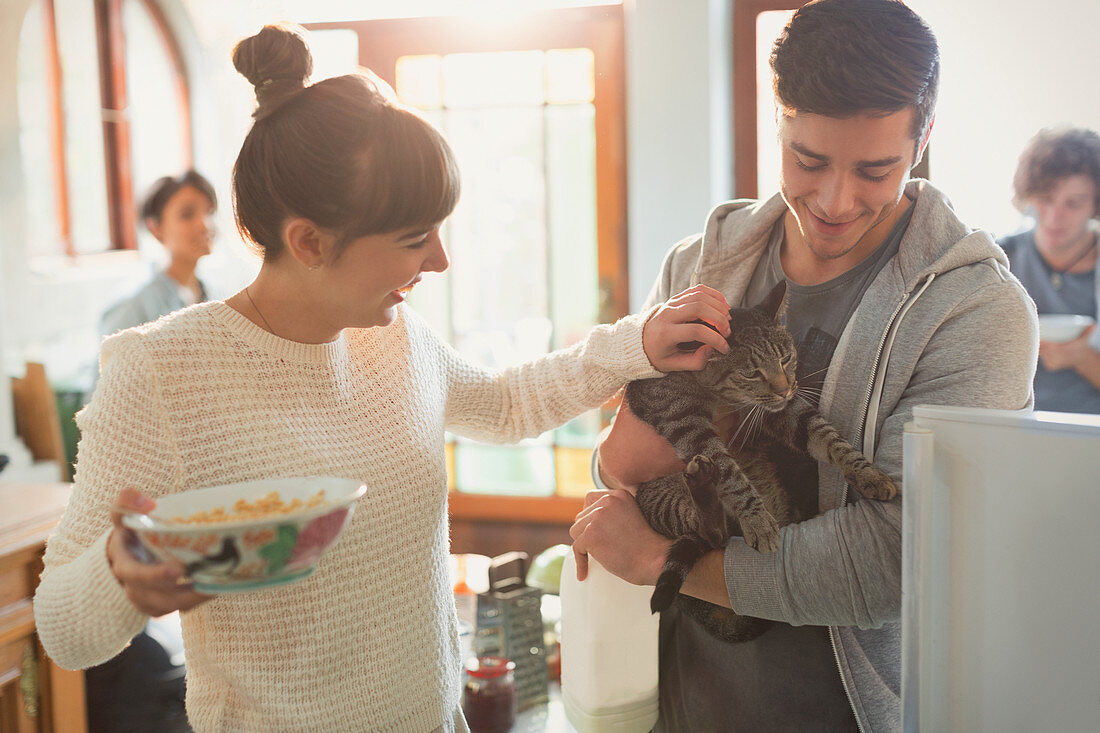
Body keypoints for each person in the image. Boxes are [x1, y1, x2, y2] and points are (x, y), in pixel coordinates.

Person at [31, 24, 732, 732]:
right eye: (412, 239)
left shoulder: (395, 339)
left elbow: (507, 403)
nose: (440, 261)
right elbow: (61, 627)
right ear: (309, 241)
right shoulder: (161, 370)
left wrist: (637, 342)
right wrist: (121, 573)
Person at [569, 1, 1038, 731]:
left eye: (875, 169)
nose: (834, 200)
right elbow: (627, 472)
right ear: (778, 120)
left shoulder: (975, 312)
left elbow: (899, 558)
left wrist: (667, 560)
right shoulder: (698, 267)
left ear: (923, 140)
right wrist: (612, 460)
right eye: (807, 159)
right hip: (681, 703)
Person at [999, 126, 1100, 414]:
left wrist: (1082, 358)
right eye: (1045, 199)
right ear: (1029, 194)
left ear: (1094, 204)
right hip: (1015, 427)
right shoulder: (1000, 257)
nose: (1055, 217)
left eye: (1074, 203)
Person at [100, 170, 217, 336]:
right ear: (155, 228)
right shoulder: (132, 305)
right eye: (187, 215)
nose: (205, 225)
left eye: (209, 212)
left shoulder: (213, 294)